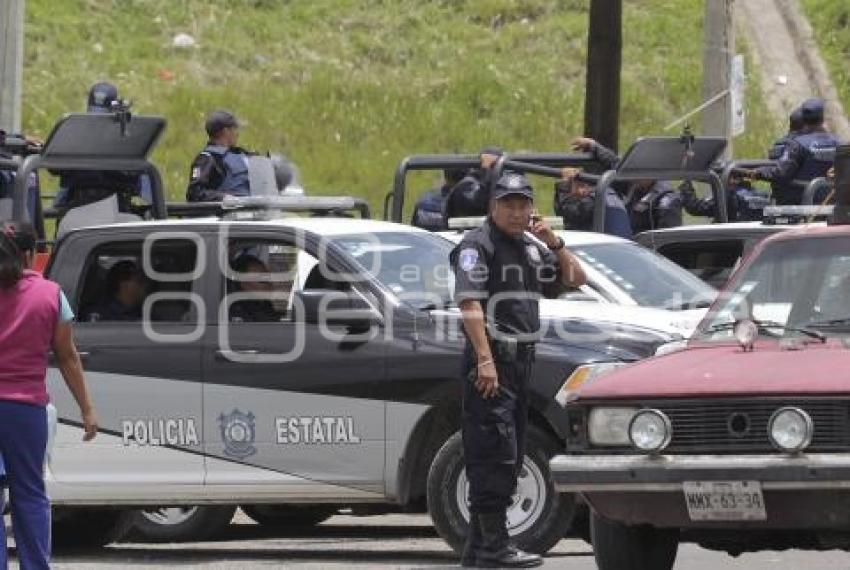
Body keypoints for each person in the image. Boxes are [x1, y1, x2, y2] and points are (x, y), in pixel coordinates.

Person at [450, 165, 586, 568]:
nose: (515, 212)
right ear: (493, 206)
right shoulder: (479, 244)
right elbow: (469, 304)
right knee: (494, 452)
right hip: (493, 362)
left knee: (510, 450)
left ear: (532, 208)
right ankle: (493, 547)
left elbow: (576, 278)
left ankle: (479, 549)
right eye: (507, 203)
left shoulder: (530, 246)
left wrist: (555, 242)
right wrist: (485, 359)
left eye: (522, 203)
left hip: (522, 362)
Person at [0, 222, 97, 570]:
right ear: (30, 254)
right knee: (29, 493)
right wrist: (87, 409)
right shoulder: (51, 294)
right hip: (26, 409)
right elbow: (67, 355)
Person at [53, 82, 152, 209]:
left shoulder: (127, 143)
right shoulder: (76, 140)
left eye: (103, 116)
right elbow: (55, 168)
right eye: (94, 115)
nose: (98, 121)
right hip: (78, 207)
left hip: (117, 208)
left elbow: (145, 184)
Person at [572, 137, 682, 233]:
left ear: (652, 168)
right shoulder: (636, 184)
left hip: (647, 252)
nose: (633, 174)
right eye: (634, 168)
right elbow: (615, 163)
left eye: (638, 168)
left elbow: (667, 243)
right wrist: (594, 146)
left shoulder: (667, 200)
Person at [752, 98, 842, 205]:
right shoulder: (840, 143)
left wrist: (759, 173)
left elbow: (781, 174)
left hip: (800, 208)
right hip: (833, 206)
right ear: (822, 119)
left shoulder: (797, 145)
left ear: (804, 120)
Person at [186, 110, 256, 202]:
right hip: (225, 213)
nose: (237, 133)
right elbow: (194, 193)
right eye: (235, 129)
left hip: (253, 210)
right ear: (226, 131)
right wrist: (223, 198)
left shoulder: (242, 154)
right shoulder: (207, 158)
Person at [555, 168, 633, 238]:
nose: (579, 191)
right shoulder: (611, 195)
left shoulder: (592, 201)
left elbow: (567, 211)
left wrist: (564, 185)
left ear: (588, 186)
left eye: (580, 186)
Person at [679, 175, 770, 222]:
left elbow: (695, 208)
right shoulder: (762, 195)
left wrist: (685, 184)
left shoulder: (729, 197)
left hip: (730, 240)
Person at [84, 260, 148, 321]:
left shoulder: (143, 311)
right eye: (140, 281)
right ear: (125, 285)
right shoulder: (101, 315)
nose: (145, 285)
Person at [228, 255, 284, 322]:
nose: (270, 283)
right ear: (244, 284)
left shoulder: (264, 305)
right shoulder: (240, 313)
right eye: (262, 280)